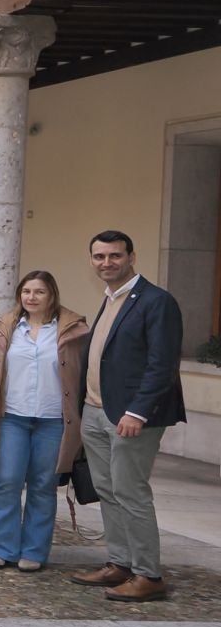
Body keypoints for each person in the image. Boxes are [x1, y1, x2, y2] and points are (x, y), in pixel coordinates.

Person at [68, 231, 186, 602]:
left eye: (115, 256)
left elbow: (161, 363)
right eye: (99, 257)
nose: (107, 263)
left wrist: (138, 411)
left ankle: (149, 574)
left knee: (131, 491)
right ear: (91, 260)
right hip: (96, 410)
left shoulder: (156, 301)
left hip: (131, 417)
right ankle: (120, 563)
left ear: (132, 257)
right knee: (108, 490)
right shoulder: (110, 298)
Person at [0, 270, 87, 572]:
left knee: (42, 485)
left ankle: (34, 551)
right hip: (12, 418)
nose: (32, 297)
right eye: (26, 292)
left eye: (39, 292)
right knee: (6, 482)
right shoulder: (6, 329)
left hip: (53, 421)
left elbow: (86, 374)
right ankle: (1, 548)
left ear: (52, 296)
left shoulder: (73, 331)